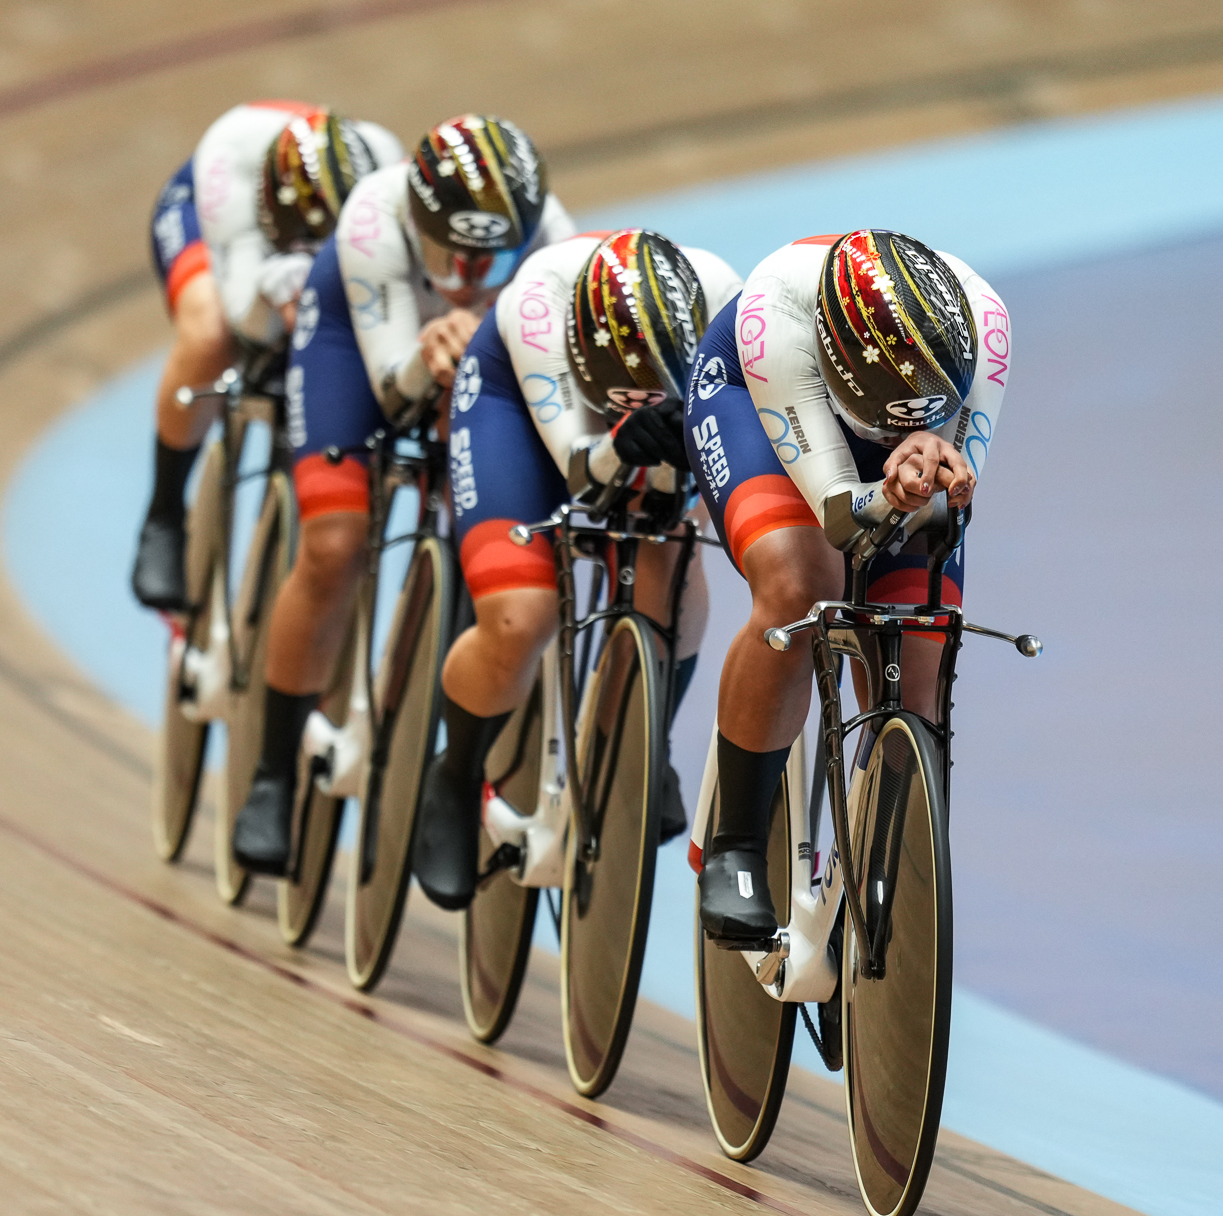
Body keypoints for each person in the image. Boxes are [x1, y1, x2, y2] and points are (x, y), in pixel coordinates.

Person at [231, 115, 576, 875]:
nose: (464, 269)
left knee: (503, 522)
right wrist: (434, 350)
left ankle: (457, 737)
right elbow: (393, 386)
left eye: (492, 254)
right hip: (358, 345)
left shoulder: (553, 235)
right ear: (416, 222)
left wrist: (473, 338)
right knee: (333, 546)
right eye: (448, 249)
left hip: (471, 352)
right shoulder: (373, 219)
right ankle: (272, 770)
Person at [682, 229, 1010, 942]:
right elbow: (837, 515)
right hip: (760, 400)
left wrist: (932, 476)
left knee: (920, 662)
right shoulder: (776, 318)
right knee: (800, 585)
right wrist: (888, 492)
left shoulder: (984, 325)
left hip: (900, 408)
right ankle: (734, 844)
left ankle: (876, 868)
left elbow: (952, 499)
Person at [405, 229, 742, 910]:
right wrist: (621, 441)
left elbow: (727, 456)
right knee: (521, 615)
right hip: (521, 414)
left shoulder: (725, 306)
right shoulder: (536, 306)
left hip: (655, 413)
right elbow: (580, 467)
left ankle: (645, 739)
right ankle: (457, 768)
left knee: (672, 549)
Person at [132, 102, 401, 610]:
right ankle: (163, 513)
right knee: (211, 332)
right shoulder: (231, 162)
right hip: (206, 214)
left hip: (323, 228)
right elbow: (248, 317)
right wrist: (280, 291)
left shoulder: (386, 173)